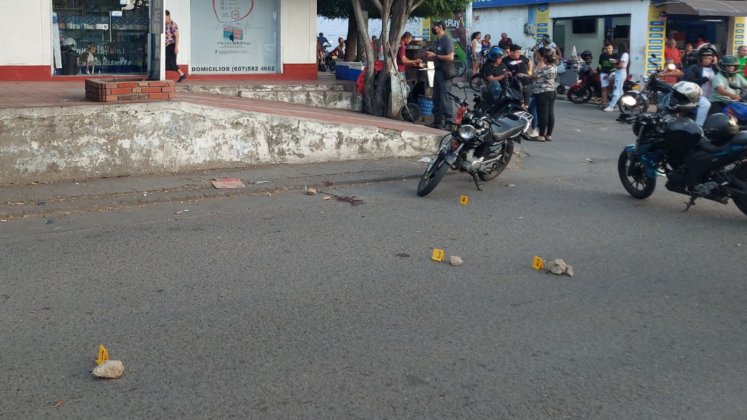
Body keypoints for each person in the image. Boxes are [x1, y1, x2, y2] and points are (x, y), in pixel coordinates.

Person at [425, 21, 455, 130]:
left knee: (446, 97)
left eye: (435, 26)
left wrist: (436, 56)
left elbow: (450, 57)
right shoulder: (437, 40)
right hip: (437, 71)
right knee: (436, 97)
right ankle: (437, 121)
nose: (433, 28)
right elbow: (434, 54)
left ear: (440, 27)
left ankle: (449, 122)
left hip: (445, 72)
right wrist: (429, 54)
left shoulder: (446, 39)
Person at [683, 45, 718, 126]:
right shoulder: (694, 68)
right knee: (706, 104)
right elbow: (689, 81)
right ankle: (699, 125)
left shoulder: (714, 68)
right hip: (697, 95)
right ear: (700, 58)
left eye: (709, 58)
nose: (707, 60)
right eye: (705, 58)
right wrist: (704, 79)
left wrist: (715, 64)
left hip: (711, 95)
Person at [529, 49, 558, 141]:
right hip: (551, 91)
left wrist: (540, 63)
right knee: (550, 114)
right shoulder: (554, 67)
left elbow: (534, 75)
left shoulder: (546, 68)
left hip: (542, 92)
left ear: (545, 59)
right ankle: (549, 134)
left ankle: (541, 135)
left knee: (543, 114)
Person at [603, 42, 629, 112]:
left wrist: (614, 65)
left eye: (618, 47)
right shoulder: (624, 55)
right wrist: (616, 61)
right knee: (620, 91)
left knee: (616, 90)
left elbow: (620, 66)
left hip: (620, 74)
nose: (617, 49)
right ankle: (621, 105)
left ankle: (611, 106)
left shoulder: (624, 55)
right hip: (620, 74)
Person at [505, 44, 532, 109]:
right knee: (518, 105)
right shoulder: (505, 60)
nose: (519, 54)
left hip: (526, 84)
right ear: (511, 52)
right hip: (514, 86)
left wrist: (529, 71)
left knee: (526, 106)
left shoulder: (522, 57)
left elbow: (529, 62)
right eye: (517, 52)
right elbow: (504, 70)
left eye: (520, 52)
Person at [165, 10, 186, 82]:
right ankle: (182, 74)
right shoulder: (163, 24)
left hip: (171, 45)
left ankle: (182, 74)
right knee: (167, 62)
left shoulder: (173, 24)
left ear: (168, 16)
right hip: (165, 46)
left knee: (171, 62)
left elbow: (177, 36)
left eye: (164, 16)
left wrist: (176, 47)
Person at [598, 41, 615, 108]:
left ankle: (612, 103)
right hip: (603, 74)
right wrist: (600, 72)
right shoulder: (602, 55)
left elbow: (615, 67)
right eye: (606, 48)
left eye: (609, 48)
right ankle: (604, 103)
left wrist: (609, 74)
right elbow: (600, 65)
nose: (608, 49)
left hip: (612, 74)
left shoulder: (615, 56)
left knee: (613, 89)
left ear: (612, 48)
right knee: (604, 89)